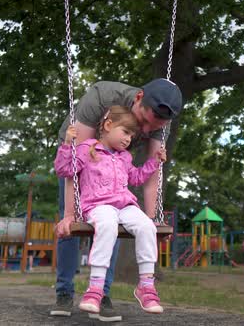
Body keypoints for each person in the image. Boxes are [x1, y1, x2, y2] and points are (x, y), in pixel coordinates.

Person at [50, 79, 182, 321]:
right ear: (139, 98)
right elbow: (73, 168)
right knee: (73, 225)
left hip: (116, 182)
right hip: (79, 154)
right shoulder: (100, 98)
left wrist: (153, 220)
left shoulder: (158, 124)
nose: (144, 131)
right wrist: (70, 214)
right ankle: (64, 292)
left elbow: (149, 177)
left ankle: (103, 294)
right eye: (142, 121)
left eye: (151, 128)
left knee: (121, 223)